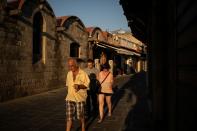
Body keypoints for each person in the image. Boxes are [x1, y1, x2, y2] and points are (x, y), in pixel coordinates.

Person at [65, 58, 90, 131]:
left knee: (80, 116)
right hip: (69, 98)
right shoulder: (69, 74)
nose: (70, 68)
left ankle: (83, 125)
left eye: (72, 66)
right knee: (69, 117)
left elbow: (86, 85)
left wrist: (79, 86)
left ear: (76, 65)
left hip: (80, 98)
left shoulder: (83, 73)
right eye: (69, 66)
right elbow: (68, 85)